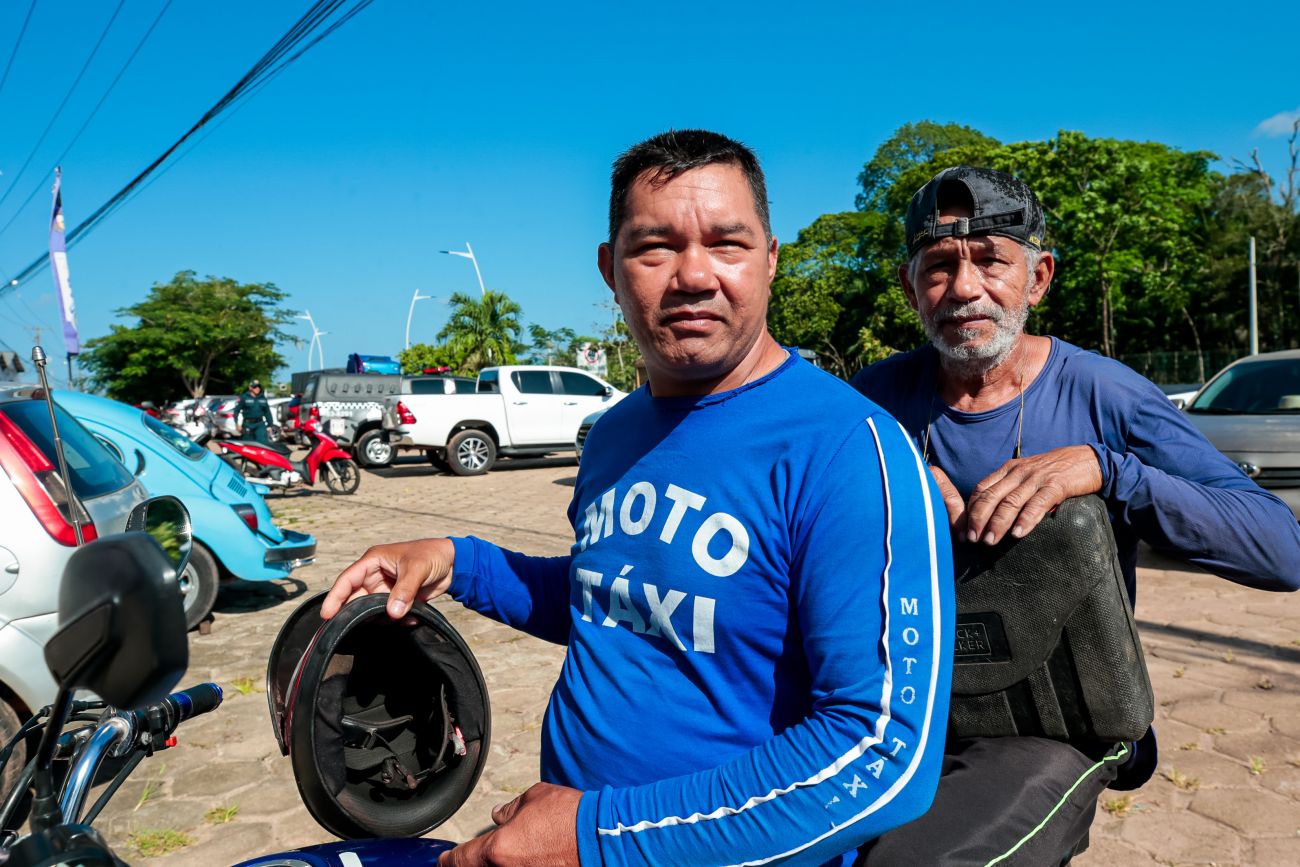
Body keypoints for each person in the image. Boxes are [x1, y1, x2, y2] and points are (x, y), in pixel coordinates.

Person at [322, 130, 955, 867]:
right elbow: (612, 597)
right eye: (655, 247)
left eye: (728, 244)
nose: (694, 275)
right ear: (610, 269)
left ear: (770, 259)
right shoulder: (615, 433)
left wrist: (595, 836)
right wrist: (458, 560)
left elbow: (883, 756)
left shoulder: (850, 450)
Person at [851, 166, 1300, 865]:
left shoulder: (1106, 395)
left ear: (1038, 278)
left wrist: (1108, 471)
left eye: (991, 260)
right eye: (938, 266)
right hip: (906, 708)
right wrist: (884, 487)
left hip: (1059, 719)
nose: (964, 287)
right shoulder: (872, 400)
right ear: (911, 289)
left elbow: (1280, 548)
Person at [235, 379, 275, 444]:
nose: (257, 388)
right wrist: (237, 424)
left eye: (259, 387)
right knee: (248, 444)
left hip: (260, 424)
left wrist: (270, 425)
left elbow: (267, 412)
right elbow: (236, 411)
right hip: (247, 424)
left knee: (263, 443)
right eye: (255, 387)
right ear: (250, 388)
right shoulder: (244, 397)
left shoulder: (262, 398)